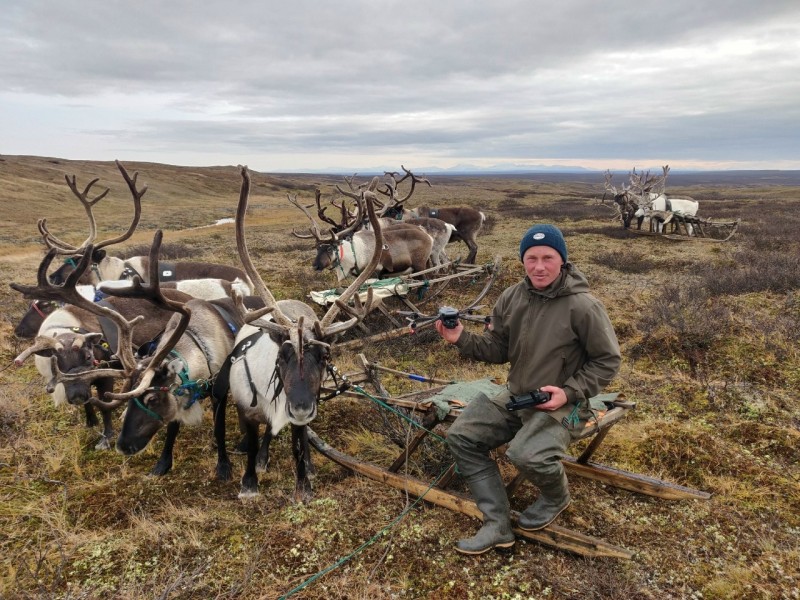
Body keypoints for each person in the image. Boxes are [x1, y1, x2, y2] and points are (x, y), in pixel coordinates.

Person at [434, 223, 621, 555]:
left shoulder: (584, 306)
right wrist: (460, 338)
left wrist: (569, 391)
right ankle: (497, 524)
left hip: (567, 403)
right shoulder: (512, 297)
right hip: (518, 394)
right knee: (462, 436)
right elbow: (497, 349)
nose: (539, 266)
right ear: (523, 261)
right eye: (531, 258)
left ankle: (555, 496)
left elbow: (607, 360)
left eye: (548, 257)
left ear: (562, 260)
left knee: (524, 454)